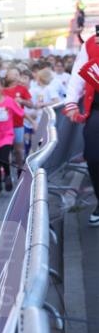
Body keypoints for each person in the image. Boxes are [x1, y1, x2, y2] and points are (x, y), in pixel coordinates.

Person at [63, 27, 99, 225]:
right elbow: (78, 75)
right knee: (93, 157)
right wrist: (71, 103)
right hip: (97, 109)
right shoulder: (92, 43)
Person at [0, 75, 24, 196]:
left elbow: (20, 113)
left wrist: (31, 121)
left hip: (7, 134)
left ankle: (7, 176)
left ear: (2, 87)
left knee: (4, 157)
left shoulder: (9, 100)